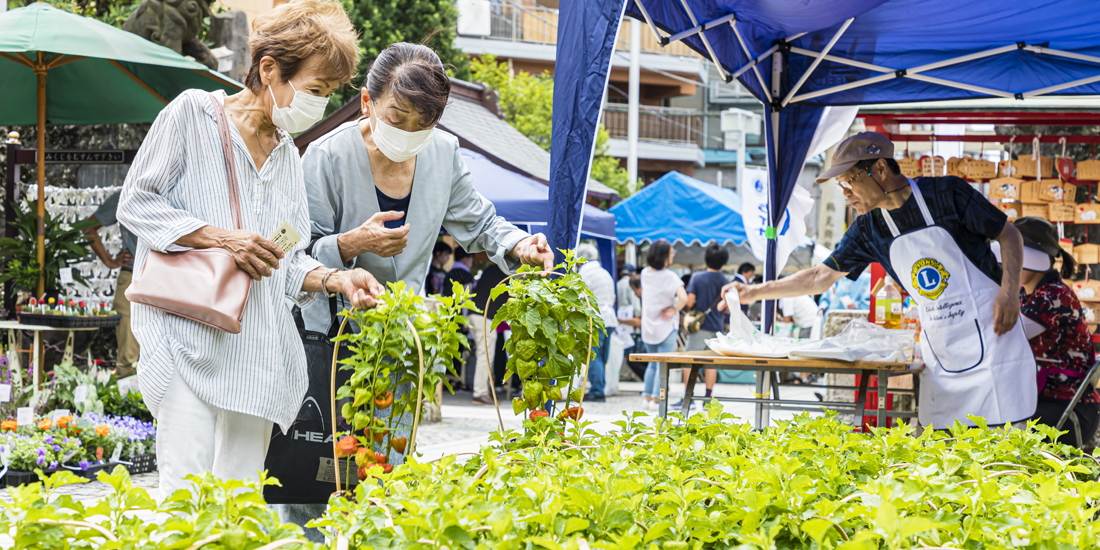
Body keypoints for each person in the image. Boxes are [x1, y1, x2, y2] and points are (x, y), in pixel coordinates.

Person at [116, 0, 385, 495]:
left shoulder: (288, 158)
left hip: (257, 351)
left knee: (238, 499)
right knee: (187, 494)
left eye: (328, 94)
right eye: (315, 89)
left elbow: (289, 259)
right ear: (269, 69)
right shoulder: (193, 114)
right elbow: (136, 202)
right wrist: (221, 238)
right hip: (186, 334)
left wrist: (338, 278)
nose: (320, 104)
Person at [722, 131, 1036, 429]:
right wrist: (752, 291)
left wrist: (1009, 293)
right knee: (939, 450)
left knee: (1002, 449)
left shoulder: (947, 194)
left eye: (849, 182)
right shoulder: (868, 229)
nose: (845, 194)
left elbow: (1009, 235)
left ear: (881, 168)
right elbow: (819, 277)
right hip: (942, 353)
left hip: (995, 337)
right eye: (840, 186)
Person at [993, 217, 1097, 447]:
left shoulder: (1052, 297)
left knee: (986, 425)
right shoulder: (1028, 294)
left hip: (1068, 411)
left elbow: (997, 335)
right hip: (1047, 403)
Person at [82, 191, 139, 378]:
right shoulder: (125, 194)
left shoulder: (173, 192)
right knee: (127, 352)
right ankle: (127, 401)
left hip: (167, 277)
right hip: (131, 277)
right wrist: (110, 261)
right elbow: (88, 227)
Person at [674, 243, 727, 409]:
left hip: (699, 327)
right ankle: (708, 398)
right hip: (716, 326)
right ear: (723, 262)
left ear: (706, 259)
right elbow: (728, 307)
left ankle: (687, 398)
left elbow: (689, 301)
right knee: (711, 362)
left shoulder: (697, 278)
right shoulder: (726, 281)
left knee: (689, 360)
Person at [640, 240, 687, 410]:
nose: (673, 255)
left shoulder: (645, 273)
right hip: (666, 325)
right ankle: (656, 399)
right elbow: (684, 298)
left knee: (652, 363)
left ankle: (646, 397)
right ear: (665, 256)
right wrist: (674, 311)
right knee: (663, 364)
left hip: (648, 326)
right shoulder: (671, 276)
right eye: (671, 252)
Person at [576, 243, 617, 402]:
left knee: (592, 356)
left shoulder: (585, 274)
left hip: (595, 319)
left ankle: (597, 390)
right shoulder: (604, 272)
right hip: (609, 319)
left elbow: (580, 300)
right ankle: (599, 386)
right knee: (602, 356)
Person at [468, 259, 508, 406]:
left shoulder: (491, 269)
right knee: (485, 355)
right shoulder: (507, 273)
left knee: (483, 354)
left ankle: (482, 390)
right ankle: (480, 393)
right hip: (484, 317)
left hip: (475, 314)